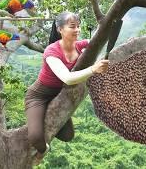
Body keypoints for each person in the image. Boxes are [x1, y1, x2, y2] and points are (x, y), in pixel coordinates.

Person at [25, 11, 109, 165]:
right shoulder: (52, 51)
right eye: (72, 26)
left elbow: (100, 38)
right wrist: (93, 69)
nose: (77, 30)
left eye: (78, 26)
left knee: (68, 135)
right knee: (36, 138)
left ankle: (42, 117)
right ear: (60, 29)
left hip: (59, 96)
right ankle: (41, 139)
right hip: (39, 96)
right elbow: (67, 79)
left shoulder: (81, 45)